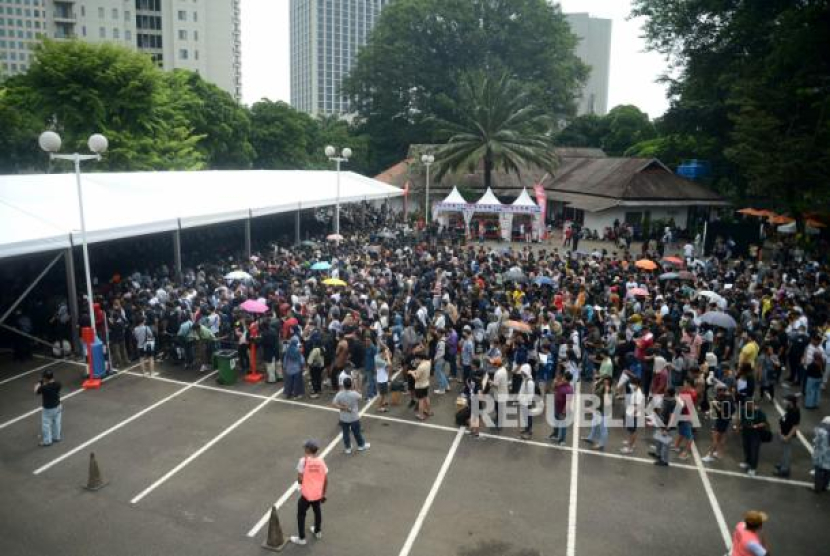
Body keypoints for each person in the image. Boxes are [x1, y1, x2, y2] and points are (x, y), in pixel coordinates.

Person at [289, 439, 328, 546]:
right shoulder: (321, 461)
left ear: (307, 449)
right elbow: (325, 479)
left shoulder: (303, 461)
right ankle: (317, 531)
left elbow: (300, 478)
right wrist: (323, 493)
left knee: (301, 514)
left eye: (305, 447)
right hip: (317, 494)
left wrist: (302, 482)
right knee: (317, 511)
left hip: (306, 494)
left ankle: (301, 538)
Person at [332, 377, 369, 454]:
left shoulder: (339, 394)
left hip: (344, 418)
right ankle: (361, 445)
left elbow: (334, 404)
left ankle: (348, 448)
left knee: (345, 433)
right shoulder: (354, 394)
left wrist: (343, 408)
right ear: (351, 385)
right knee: (357, 432)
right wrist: (357, 389)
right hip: (354, 418)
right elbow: (360, 397)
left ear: (343, 385)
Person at [739, 400, 768, 477]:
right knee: (746, 448)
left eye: (748, 405)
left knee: (754, 451)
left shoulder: (759, 412)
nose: (746, 407)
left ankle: (753, 468)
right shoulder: (743, 410)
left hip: (755, 434)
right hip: (746, 433)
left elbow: (764, 423)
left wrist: (756, 426)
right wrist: (739, 426)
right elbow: (741, 419)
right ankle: (747, 463)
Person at [774, 394, 800, 478]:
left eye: (786, 400)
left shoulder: (795, 412)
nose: (784, 401)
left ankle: (785, 470)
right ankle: (782, 464)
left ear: (791, 402)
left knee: (786, 453)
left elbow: (795, 426)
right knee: (784, 451)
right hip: (783, 433)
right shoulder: (789, 409)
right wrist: (780, 431)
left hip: (787, 435)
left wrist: (788, 436)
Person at [34, 369, 62, 446]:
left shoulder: (44, 388)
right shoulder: (58, 384)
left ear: (46, 378)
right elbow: (53, 383)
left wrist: (39, 383)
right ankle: (57, 437)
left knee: (46, 425)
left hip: (48, 409)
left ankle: (47, 441)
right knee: (57, 422)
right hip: (58, 406)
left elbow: (36, 391)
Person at [620, 377, 644, 455]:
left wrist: (632, 415)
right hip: (631, 412)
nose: (631, 385)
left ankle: (630, 448)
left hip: (633, 414)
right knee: (631, 431)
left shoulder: (638, 394)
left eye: (633, 384)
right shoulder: (635, 390)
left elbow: (637, 407)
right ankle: (631, 443)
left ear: (637, 384)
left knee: (632, 431)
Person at [550, 371, 573, 445]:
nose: (562, 379)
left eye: (564, 378)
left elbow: (568, 402)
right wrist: (555, 382)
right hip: (557, 407)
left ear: (567, 379)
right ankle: (555, 434)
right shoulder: (560, 384)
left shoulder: (569, 389)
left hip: (563, 410)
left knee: (563, 425)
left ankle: (562, 440)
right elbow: (553, 388)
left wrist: (563, 412)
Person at [409, 350, 432, 421]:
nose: (415, 360)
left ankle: (421, 415)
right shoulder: (428, 363)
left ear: (419, 358)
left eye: (416, 358)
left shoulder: (420, 367)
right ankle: (428, 411)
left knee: (421, 401)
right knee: (426, 397)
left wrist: (411, 372)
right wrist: (415, 371)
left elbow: (416, 377)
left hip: (420, 386)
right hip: (426, 383)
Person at [812, 416, 830, 493]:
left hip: (820, 455)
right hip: (828, 458)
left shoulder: (821, 432)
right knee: (828, 472)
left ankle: (817, 488)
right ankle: (824, 486)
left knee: (818, 471)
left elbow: (816, 441)